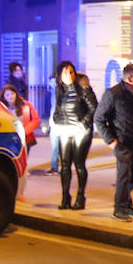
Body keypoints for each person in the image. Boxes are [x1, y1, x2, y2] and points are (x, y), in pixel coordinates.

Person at [95, 62, 133, 221]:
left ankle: (126, 204)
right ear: (130, 79)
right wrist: (112, 142)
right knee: (124, 176)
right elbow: (99, 119)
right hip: (122, 142)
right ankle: (119, 208)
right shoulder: (113, 94)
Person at [51, 60, 96, 210]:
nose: (69, 75)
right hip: (65, 130)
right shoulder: (59, 91)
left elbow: (93, 108)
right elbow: (58, 110)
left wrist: (83, 123)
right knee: (64, 165)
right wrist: (56, 120)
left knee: (79, 165)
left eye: (71, 72)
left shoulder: (83, 89)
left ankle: (80, 197)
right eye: (65, 72)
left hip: (80, 131)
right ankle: (65, 197)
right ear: (59, 75)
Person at [0, 83, 40, 158]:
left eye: (12, 93)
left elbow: (36, 120)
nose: (10, 96)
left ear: (16, 94)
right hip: (8, 139)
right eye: (7, 95)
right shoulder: (1, 108)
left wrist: (24, 131)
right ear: (4, 97)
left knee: (23, 160)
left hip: (25, 138)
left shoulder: (26, 105)